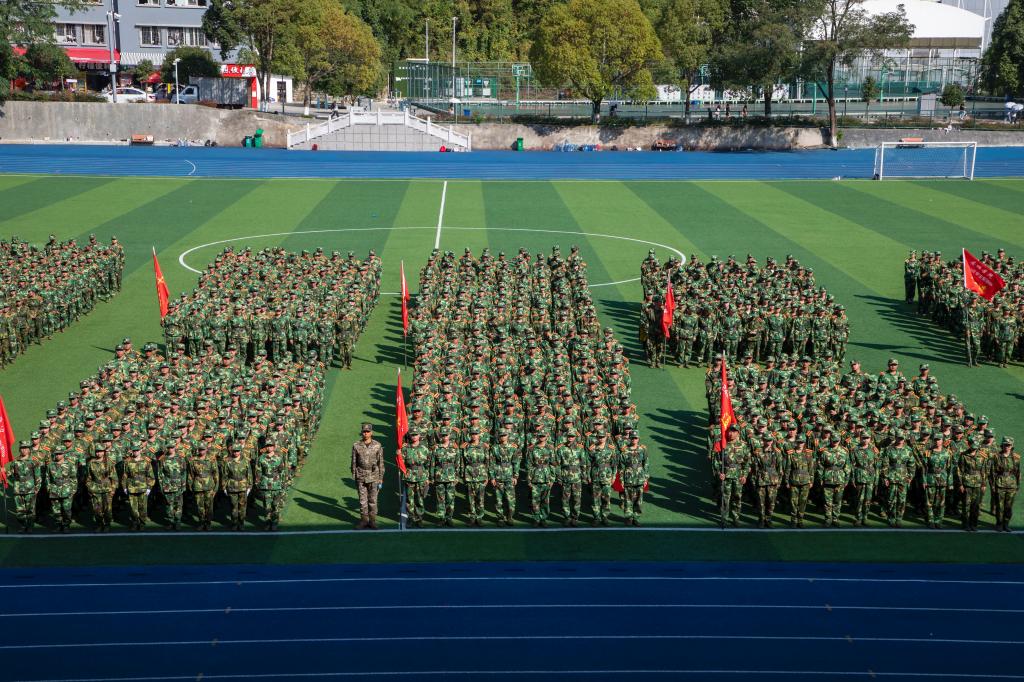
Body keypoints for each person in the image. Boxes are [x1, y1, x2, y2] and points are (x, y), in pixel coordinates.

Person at [351, 422, 384, 529]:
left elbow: (381, 462)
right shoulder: (356, 445)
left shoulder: (377, 445)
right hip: (361, 475)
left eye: (368, 431)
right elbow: (354, 461)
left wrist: (381, 478)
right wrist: (354, 475)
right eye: (364, 431)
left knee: (373, 500)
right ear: (362, 432)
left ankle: (372, 521)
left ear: (371, 432)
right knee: (362, 500)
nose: (366, 433)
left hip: (374, 476)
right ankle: (364, 520)